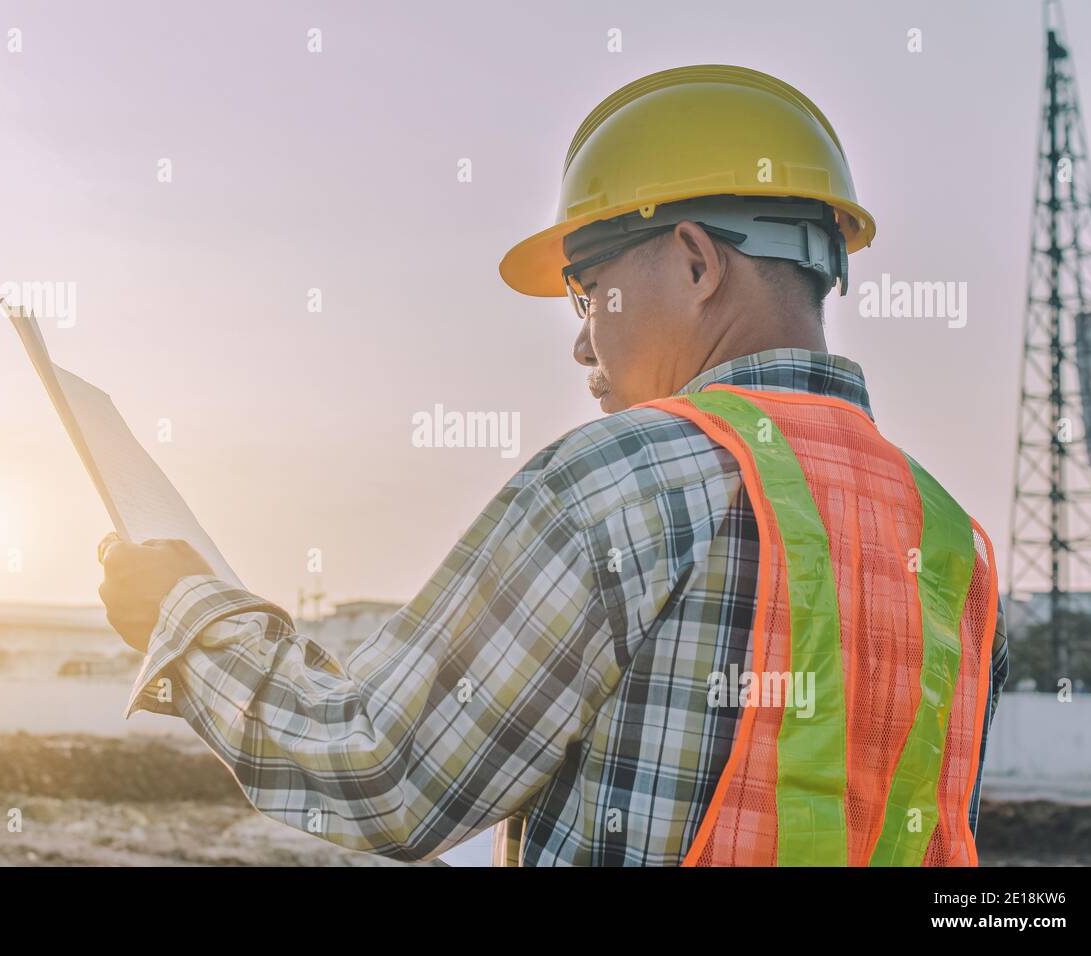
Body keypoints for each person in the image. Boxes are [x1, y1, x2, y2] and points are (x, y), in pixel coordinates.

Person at [99, 65, 1008, 866]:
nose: (582, 341)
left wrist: (185, 620)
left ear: (696, 262)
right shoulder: (954, 543)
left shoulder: (624, 478)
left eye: (588, 289)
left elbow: (378, 773)